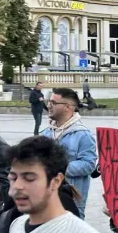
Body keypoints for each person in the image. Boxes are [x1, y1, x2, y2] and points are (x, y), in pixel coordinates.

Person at [42, 87, 97, 218]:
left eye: (53, 103)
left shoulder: (82, 135)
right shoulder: (46, 133)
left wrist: (60, 168)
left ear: (67, 107)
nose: (49, 106)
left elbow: (89, 164)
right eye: (49, 102)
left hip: (71, 200)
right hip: (46, 196)